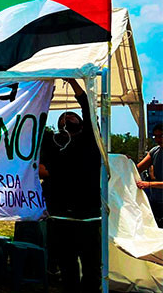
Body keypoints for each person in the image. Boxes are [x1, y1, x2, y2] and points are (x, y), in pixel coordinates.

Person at [38, 78, 101, 292]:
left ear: (82, 124)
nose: (67, 121)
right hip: (60, 215)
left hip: (88, 215)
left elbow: (88, 107)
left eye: (71, 118)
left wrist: (73, 82)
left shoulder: (91, 140)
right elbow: (35, 121)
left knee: (92, 266)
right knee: (67, 266)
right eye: (63, 120)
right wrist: (45, 95)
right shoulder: (53, 143)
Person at [136, 123, 163, 227]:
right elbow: (138, 168)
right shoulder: (155, 151)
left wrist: (149, 184)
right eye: (155, 136)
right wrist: (126, 162)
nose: (158, 139)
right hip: (155, 202)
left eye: (161, 136)